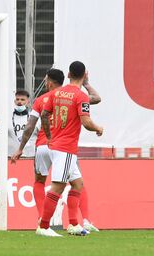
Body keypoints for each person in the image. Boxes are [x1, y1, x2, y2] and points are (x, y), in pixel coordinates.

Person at [11, 68, 101, 232]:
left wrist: (20, 148)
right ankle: (58, 223)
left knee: (44, 181)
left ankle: (48, 219)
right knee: (65, 184)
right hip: (63, 146)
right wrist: (86, 83)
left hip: (44, 145)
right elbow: (96, 99)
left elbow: (30, 125)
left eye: (46, 80)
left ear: (50, 82)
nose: (45, 83)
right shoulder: (75, 95)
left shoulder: (43, 99)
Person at [37, 61, 104, 237]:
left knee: (77, 184)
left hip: (56, 145)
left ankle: (73, 224)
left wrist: (49, 137)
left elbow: (44, 114)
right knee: (57, 187)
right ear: (84, 75)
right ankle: (43, 226)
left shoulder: (56, 93)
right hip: (65, 148)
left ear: (68, 75)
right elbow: (86, 122)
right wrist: (98, 128)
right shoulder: (80, 96)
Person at [0, 89, 35, 158]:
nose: (19, 102)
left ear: (27, 102)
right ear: (14, 101)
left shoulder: (34, 118)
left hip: (30, 156)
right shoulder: (6, 117)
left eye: (22, 99)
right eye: (17, 99)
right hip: (11, 157)